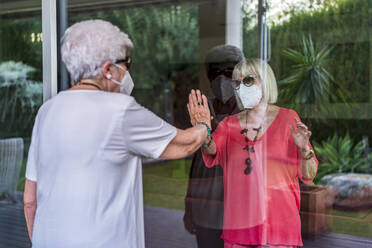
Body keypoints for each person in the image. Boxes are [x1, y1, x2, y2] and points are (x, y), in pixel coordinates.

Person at [23, 19, 211, 248]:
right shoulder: (120, 111)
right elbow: (186, 144)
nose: (127, 71)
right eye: (125, 63)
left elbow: (29, 201)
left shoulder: (47, 111)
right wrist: (204, 124)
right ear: (107, 69)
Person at [189, 58, 318, 248]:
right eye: (237, 83)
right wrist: (204, 130)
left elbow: (309, 174)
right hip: (241, 227)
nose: (242, 87)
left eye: (248, 80)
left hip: (280, 227)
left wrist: (304, 148)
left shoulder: (289, 119)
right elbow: (211, 149)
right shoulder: (229, 124)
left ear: (265, 82)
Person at [183, 44, 244, 248]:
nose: (221, 78)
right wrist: (189, 206)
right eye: (215, 72)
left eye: (228, 70)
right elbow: (197, 164)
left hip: (239, 212)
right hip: (205, 211)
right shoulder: (202, 107)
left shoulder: (249, 110)